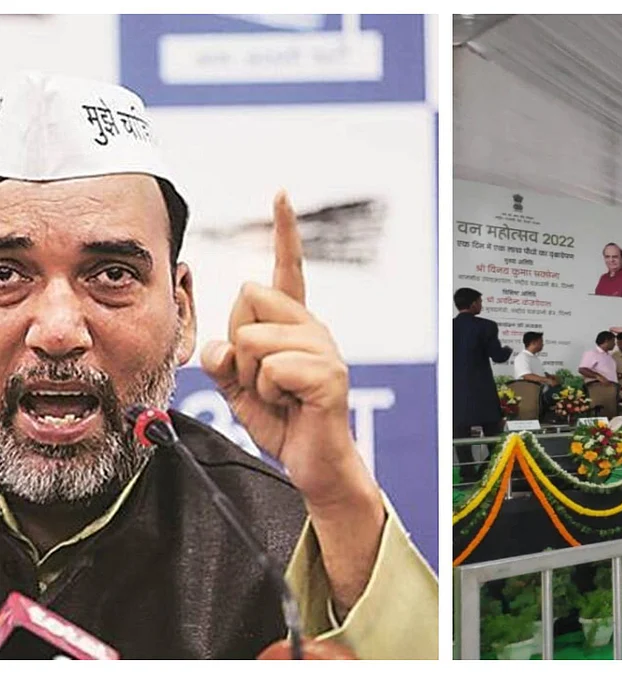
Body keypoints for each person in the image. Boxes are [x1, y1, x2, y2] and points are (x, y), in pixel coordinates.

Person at [0, 72, 435, 658]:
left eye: (112, 275)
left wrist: (339, 496)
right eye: (5, 275)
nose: (58, 331)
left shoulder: (271, 541)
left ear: (182, 313)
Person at [453, 287, 513, 479]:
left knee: (460, 436)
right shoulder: (487, 326)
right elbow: (498, 356)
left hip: (455, 391)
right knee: (493, 436)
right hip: (482, 390)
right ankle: (491, 472)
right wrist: (508, 350)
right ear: (473, 304)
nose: (481, 305)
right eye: (480, 301)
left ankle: (468, 473)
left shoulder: (447, 327)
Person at [512, 331, 558, 411]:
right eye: (541, 342)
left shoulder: (534, 357)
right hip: (531, 392)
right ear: (533, 343)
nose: (543, 344)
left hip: (541, 390)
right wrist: (548, 380)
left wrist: (548, 376)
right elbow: (527, 376)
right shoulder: (522, 357)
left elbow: (536, 373)